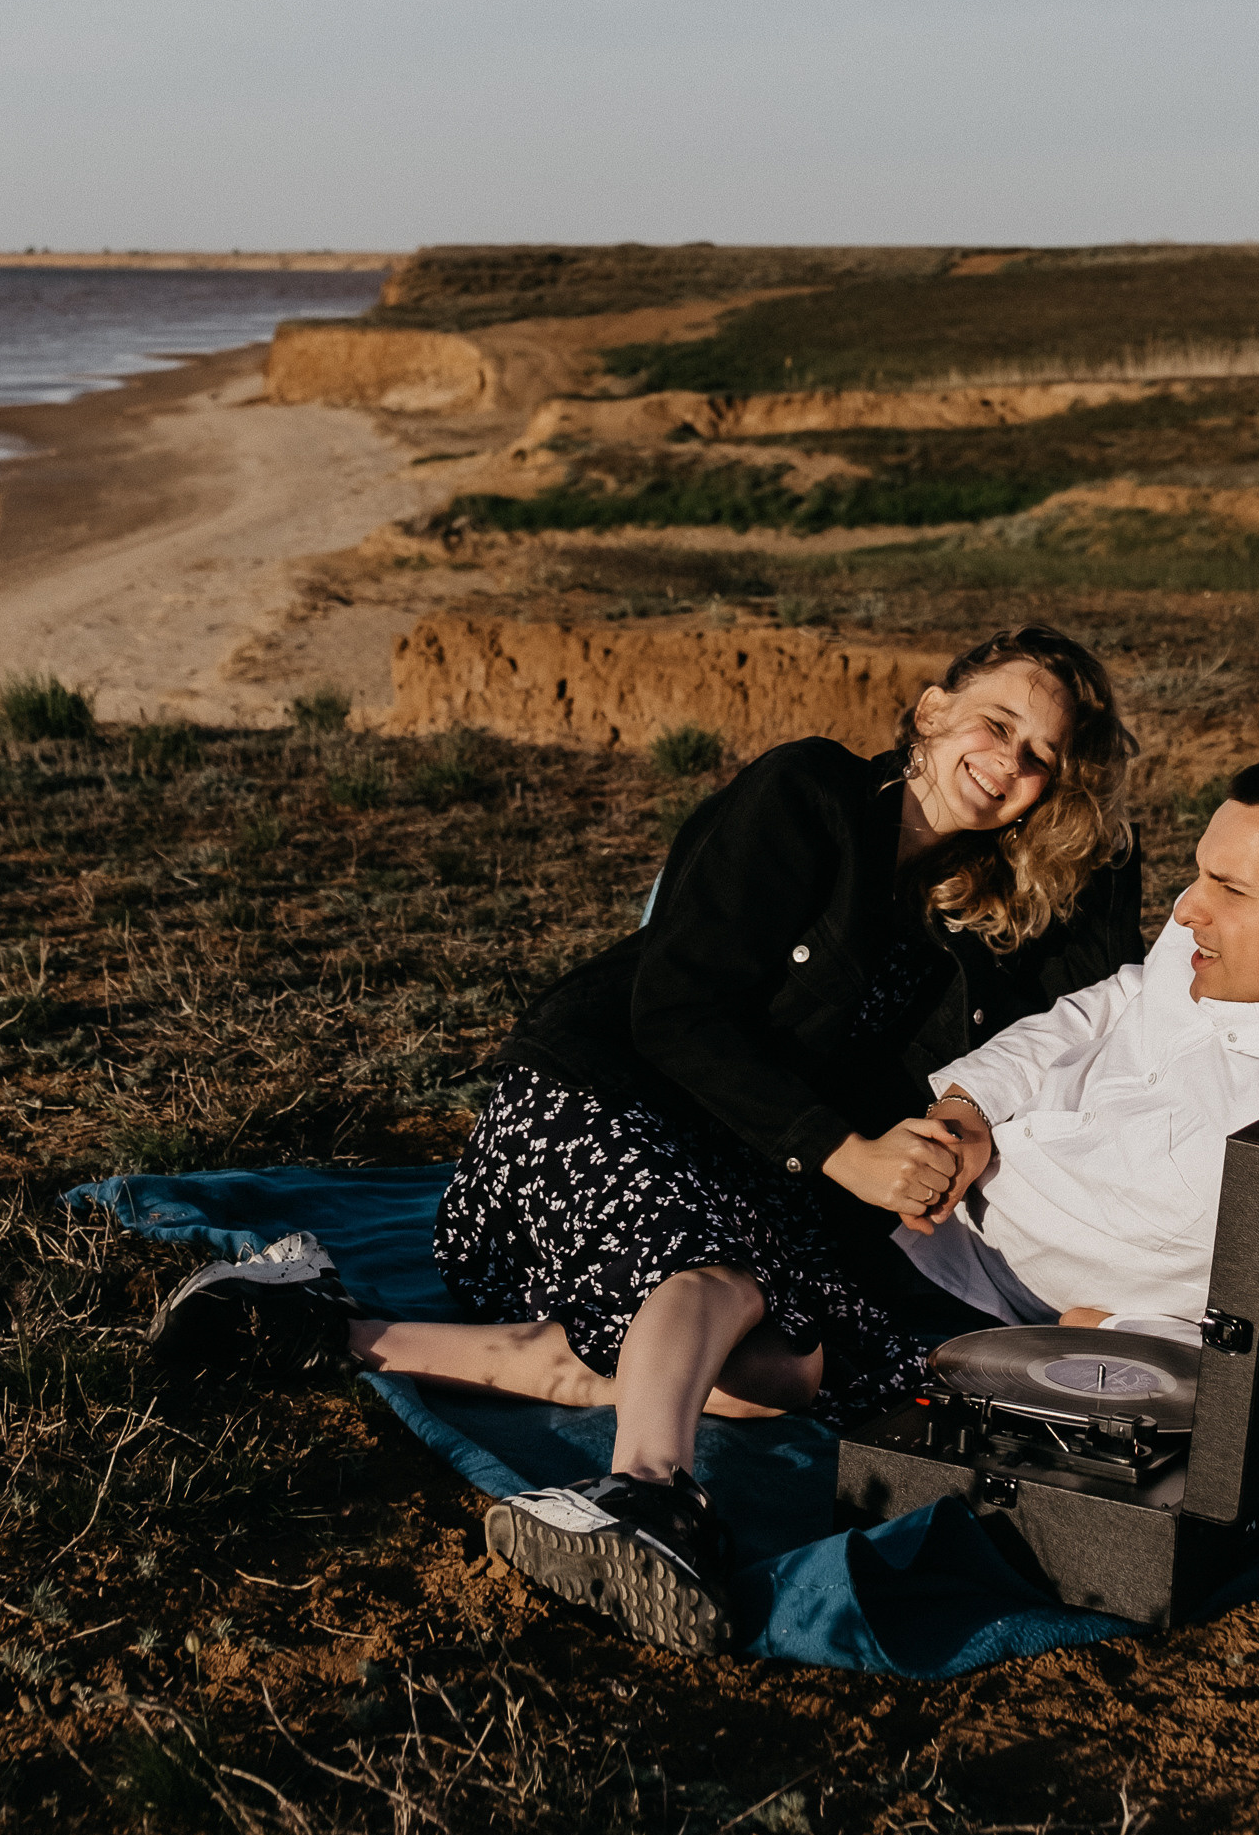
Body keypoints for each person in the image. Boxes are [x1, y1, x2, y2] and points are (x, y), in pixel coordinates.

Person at [157, 627, 1138, 1654]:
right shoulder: (810, 793)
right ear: (933, 710)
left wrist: (1088, 840)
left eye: (1044, 758)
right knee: (723, 1271)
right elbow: (673, 1010)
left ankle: (328, 1329)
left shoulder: (988, 898)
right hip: (598, 1103)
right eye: (997, 722)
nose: (1012, 761)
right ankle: (649, 1492)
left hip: (759, 1168)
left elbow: (1089, 1008)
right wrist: (838, 1148)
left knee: (783, 1371)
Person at [900, 749, 1259, 1478]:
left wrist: (1117, 1336)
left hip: (983, 1321)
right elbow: (1121, 995)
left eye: (1228, 887)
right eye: (1200, 871)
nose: (1187, 908)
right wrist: (970, 1102)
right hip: (931, 1196)